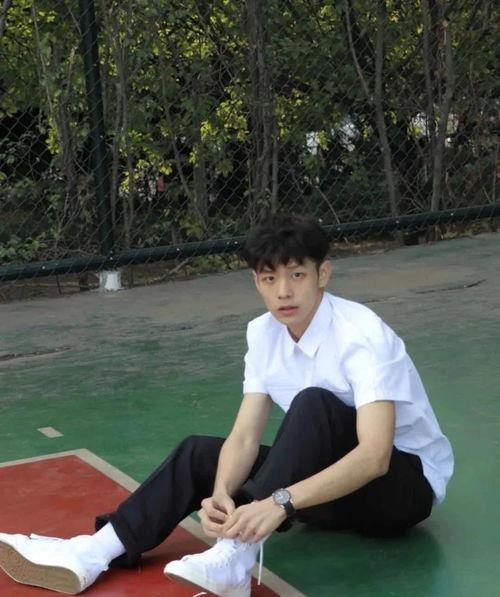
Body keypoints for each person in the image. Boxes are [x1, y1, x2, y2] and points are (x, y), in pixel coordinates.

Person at [0, 214, 453, 597]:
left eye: (297, 275)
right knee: (200, 453)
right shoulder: (263, 334)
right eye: (269, 278)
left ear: (323, 274)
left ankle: (235, 557)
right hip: (325, 498)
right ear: (256, 282)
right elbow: (245, 436)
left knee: (314, 404)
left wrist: (279, 501)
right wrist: (221, 493)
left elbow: (374, 457)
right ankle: (95, 551)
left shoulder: (362, 334)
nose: (284, 292)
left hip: (399, 494)